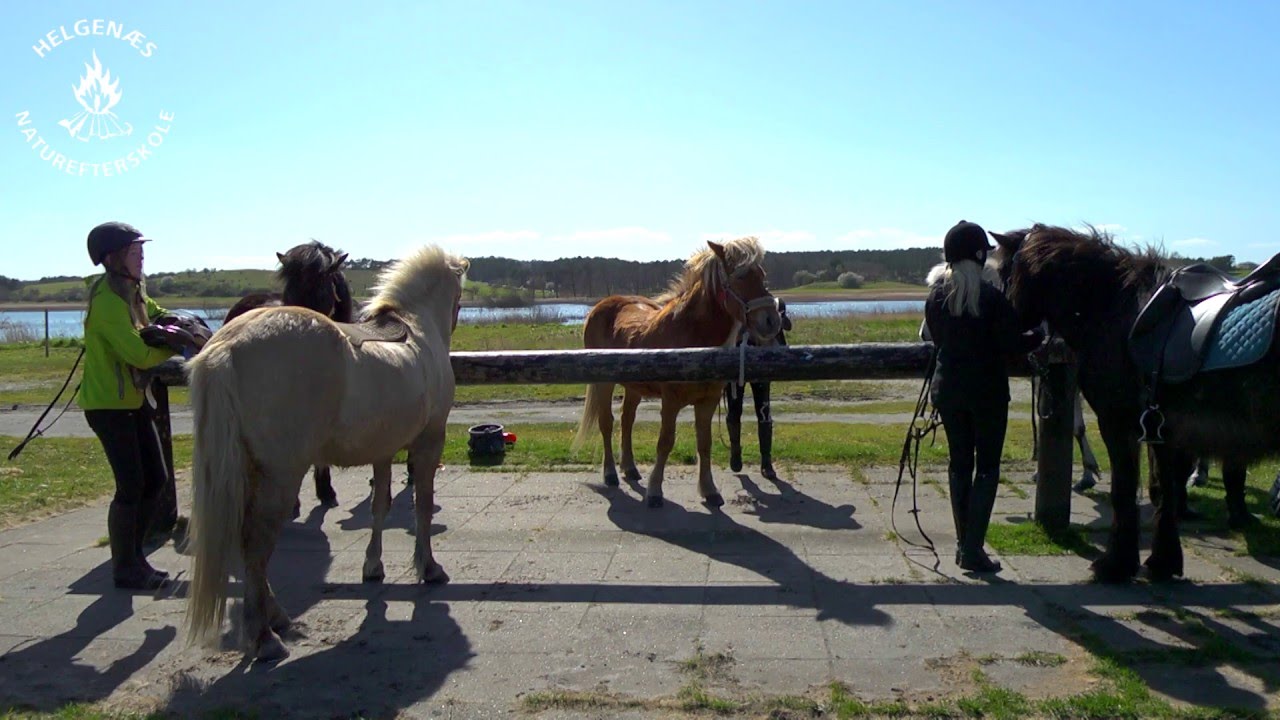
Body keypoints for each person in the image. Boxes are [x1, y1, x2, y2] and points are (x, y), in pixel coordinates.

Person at [80, 221, 196, 590]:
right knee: (130, 486)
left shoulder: (133, 289)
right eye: (134, 252)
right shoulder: (107, 303)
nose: (141, 256)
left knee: (156, 480)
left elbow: (157, 312)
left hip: (131, 400)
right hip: (108, 405)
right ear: (113, 258)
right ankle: (125, 565)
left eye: (141, 251)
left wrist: (174, 321)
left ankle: (134, 558)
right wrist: (177, 345)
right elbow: (139, 354)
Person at [925, 220, 1043, 573]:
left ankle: (964, 545)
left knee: (959, 465)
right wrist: (1037, 336)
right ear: (979, 256)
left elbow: (937, 339)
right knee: (987, 468)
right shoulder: (991, 298)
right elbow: (1012, 344)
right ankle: (973, 548)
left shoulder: (936, 298)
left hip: (947, 391)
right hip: (988, 393)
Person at [726, 298, 792, 480]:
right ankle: (735, 450)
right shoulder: (733, 305)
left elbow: (786, 326)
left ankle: (766, 460)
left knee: (763, 412)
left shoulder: (769, 303)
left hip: (760, 365)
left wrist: (779, 317)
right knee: (734, 411)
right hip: (735, 365)